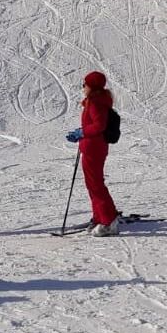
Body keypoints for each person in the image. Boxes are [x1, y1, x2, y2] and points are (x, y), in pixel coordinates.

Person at [66, 71, 119, 236]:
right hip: (93, 147)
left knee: (95, 185)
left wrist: (82, 132)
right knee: (94, 184)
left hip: (93, 148)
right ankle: (100, 217)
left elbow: (99, 126)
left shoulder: (95, 103)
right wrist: (82, 132)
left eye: (85, 84)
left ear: (92, 87)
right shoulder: (94, 101)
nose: (83, 87)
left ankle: (108, 221)